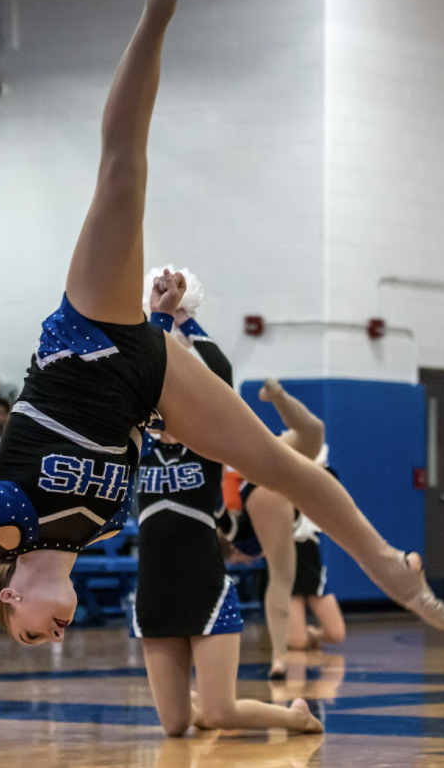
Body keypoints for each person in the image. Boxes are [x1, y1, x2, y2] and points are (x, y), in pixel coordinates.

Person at [0, 0, 444, 650]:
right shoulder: (111, 526)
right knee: (279, 464)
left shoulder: (2, 520)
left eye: (27, 633)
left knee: (123, 169)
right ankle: (388, 566)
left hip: (89, 339)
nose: (47, 638)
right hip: (148, 374)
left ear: (12, 593)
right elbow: (133, 439)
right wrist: (168, 323)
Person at [134, 301, 322, 735]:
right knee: (175, 726)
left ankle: (296, 718)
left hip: (203, 586)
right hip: (154, 593)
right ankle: (193, 701)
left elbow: (220, 373)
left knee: (220, 715)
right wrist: (152, 323)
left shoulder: (207, 444)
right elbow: (141, 369)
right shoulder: (138, 442)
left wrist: (182, 319)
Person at [230, 380, 332, 678]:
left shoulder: (252, 521)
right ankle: (278, 657)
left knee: (280, 578)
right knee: (281, 578)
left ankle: (279, 658)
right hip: (275, 475)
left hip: (261, 477)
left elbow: (231, 515)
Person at [288, 506, 346, 654]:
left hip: (311, 566)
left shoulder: (312, 493)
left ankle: (302, 631)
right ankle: (285, 633)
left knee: (336, 634)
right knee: (297, 642)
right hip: (285, 568)